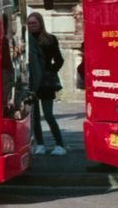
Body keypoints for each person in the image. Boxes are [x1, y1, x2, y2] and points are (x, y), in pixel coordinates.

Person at [27, 12, 67, 156]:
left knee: (48, 115)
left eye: (34, 23)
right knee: (35, 117)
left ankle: (59, 144)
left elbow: (59, 60)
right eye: (30, 23)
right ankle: (40, 144)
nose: (32, 26)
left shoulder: (50, 39)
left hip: (46, 82)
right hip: (31, 81)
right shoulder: (27, 40)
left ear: (40, 23)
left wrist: (49, 71)